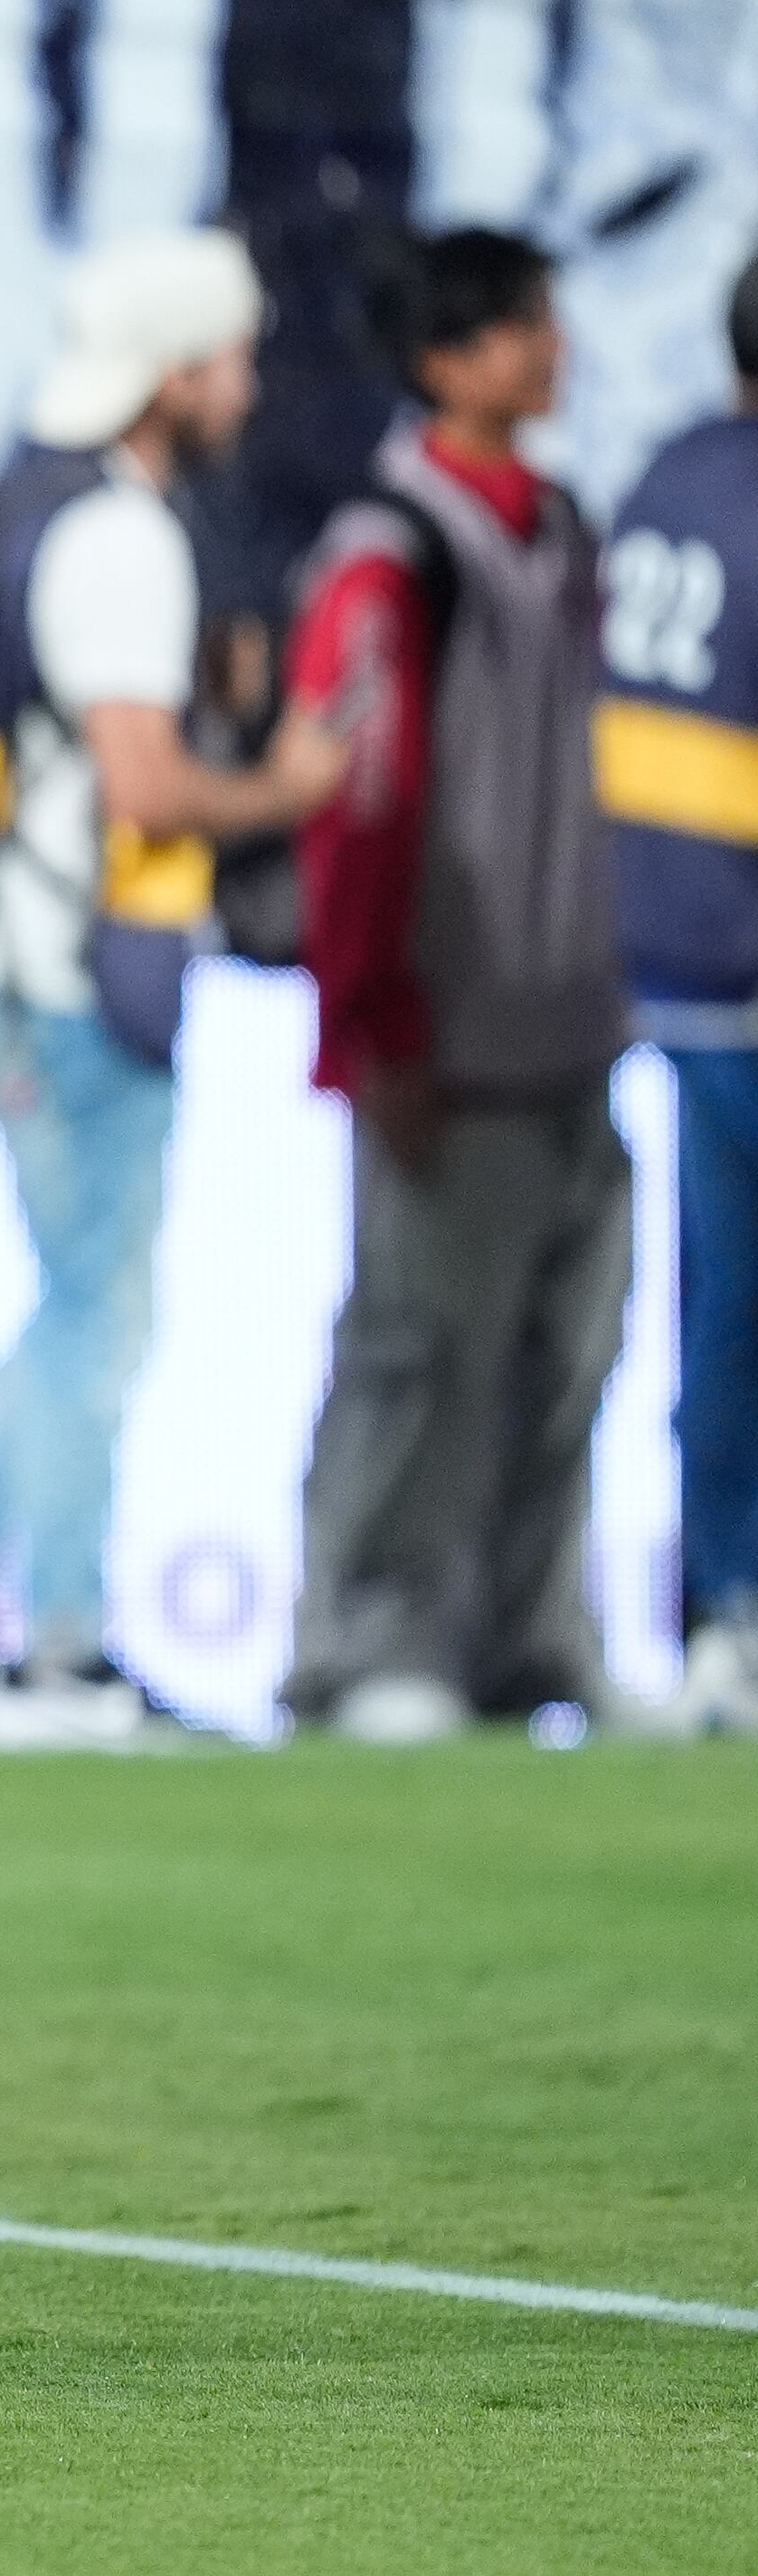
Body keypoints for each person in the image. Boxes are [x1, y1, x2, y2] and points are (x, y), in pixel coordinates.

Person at [0, 232, 346, 1738]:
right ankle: (60, 1647)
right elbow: (141, 781)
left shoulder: (34, 504)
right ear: (176, 373)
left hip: (18, 966)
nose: (247, 387)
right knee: (99, 1312)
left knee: (75, 1303)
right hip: (68, 979)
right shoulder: (123, 537)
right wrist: (288, 780)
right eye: (231, 359)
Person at [280, 230, 633, 1741]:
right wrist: (371, 1017)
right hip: (451, 1022)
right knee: (418, 1348)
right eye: (514, 329)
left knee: (569, 1351)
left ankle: (527, 1639)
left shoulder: (562, 522)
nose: (547, 351)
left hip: (571, 1017)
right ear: (442, 359)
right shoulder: (390, 547)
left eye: (544, 322)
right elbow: (360, 803)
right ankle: (365, 1642)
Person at [595, 256, 758, 1731]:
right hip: (742, 960)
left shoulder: (663, 479)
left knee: (721, 1301)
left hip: (669, 951)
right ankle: (727, 1611)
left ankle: (717, 1613)